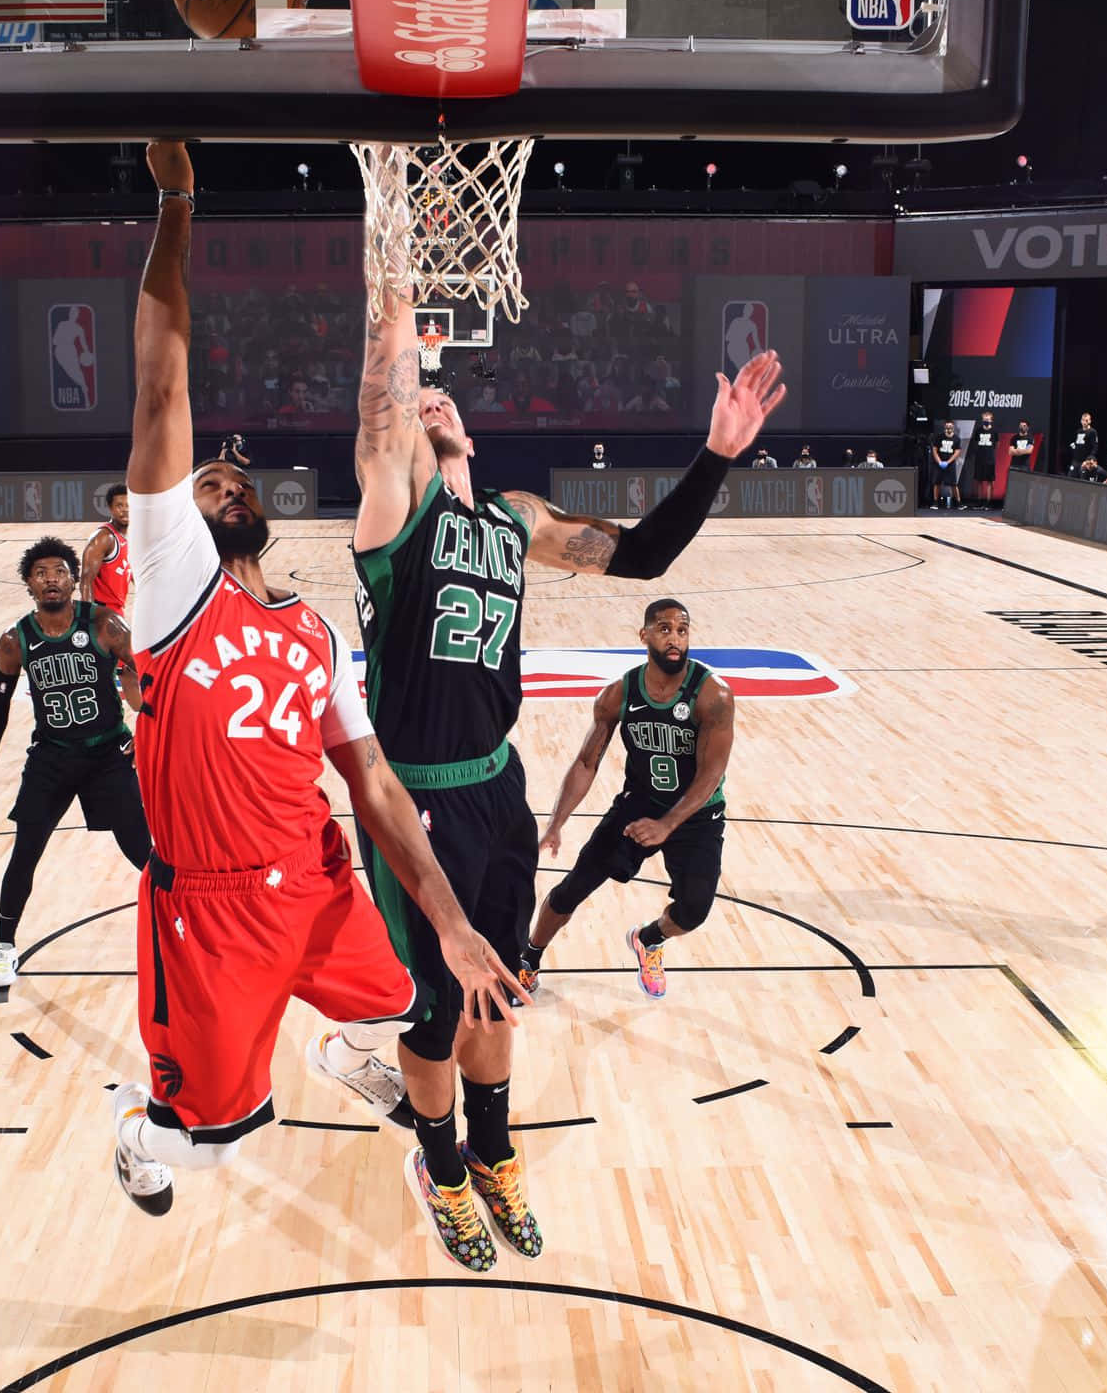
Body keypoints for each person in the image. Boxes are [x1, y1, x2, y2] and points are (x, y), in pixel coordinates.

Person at [323, 141, 783, 1270]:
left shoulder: (516, 519)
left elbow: (641, 555)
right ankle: (438, 1163)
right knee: (436, 1005)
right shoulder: (394, 515)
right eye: (417, 404)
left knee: (501, 989)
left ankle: (493, 1151)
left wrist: (715, 457)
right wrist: (395, 246)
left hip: (496, 783)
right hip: (415, 796)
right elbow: (384, 391)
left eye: (443, 400)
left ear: (469, 431)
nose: (428, 404)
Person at [111, 143, 526, 1234]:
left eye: (233, 479)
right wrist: (177, 201)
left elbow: (376, 785)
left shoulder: (310, 632)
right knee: (213, 1140)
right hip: (209, 908)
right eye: (204, 480)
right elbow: (162, 379)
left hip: (314, 881)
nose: (223, 483)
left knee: (414, 1002)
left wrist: (448, 921)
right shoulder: (170, 587)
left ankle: (343, 1048)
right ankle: (138, 1130)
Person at [520, 600, 732, 1001]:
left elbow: (711, 774)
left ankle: (649, 939)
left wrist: (667, 824)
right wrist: (556, 823)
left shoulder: (713, 695)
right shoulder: (618, 693)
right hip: (639, 806)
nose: (675, 638)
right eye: (664, 629)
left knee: (693, 911)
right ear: (644, 635)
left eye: (682, 630)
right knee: (573, 888)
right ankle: (529, 958)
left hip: (697, 815)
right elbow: (587, 762)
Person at [0, 536, 151, 989]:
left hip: (108, 755)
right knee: (25, 853)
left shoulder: (106, 625)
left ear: (74, 580)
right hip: (51, 758)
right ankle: (4, 945)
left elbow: (151, 679)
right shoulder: (15, 640)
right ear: (28, 583)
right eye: (41, 573)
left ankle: (186, 930)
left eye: (59, 572)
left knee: (143, 851)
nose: (51, 580)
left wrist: (146, 732)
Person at [80, 483, 132, 615]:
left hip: (116, 608)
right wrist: (87, 617)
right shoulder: (104, 538)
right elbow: (86, 581)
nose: (125, 510)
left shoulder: (131, 537)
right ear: (110, 508)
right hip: (101, 610)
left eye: (129, 505)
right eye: (119, 506)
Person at [967, 410, 998, 507]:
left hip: (990, 460)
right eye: (984, 420)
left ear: (991, 420)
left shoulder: (994, 431)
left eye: (988, 420)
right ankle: (979, 501)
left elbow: (997, 444)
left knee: (990, 481)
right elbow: (975, 443)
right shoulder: (978, 430)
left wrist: (990, 453)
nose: (986, 421)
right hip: (979, 459)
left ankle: (988, 502)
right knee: (979, 480)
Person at [930, 420, 964, 510]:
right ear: (944, 427)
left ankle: (959, 503)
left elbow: (957, 452)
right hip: (939, 464)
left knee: (953, 484)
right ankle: (935, 503)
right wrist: (939, 462)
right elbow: (934, 450)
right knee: (937, 483)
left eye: (950, 427)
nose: (948, 428)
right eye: (947, 426)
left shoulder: (957, 439)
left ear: (953, 428)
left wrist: (948, 462)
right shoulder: (939, 437)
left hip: (950, 464)